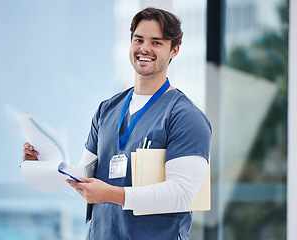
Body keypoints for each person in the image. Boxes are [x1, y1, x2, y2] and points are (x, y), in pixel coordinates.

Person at [23, 7, 212, 240]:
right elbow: (85, 180)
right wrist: (47, 165)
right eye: (138, 40)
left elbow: (182, 194)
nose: (144, 48)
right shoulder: (107, 110)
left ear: (174, 50)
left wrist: (113, 194)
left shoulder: (185, 116)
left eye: (156, 42)